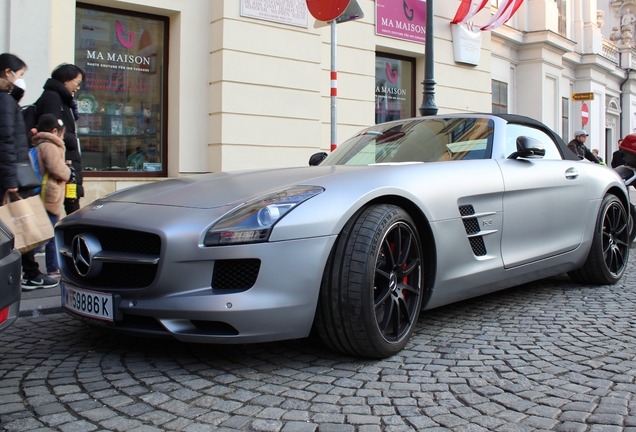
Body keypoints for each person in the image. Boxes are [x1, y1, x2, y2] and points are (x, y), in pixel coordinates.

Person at [0, 53, 58, 290]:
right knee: (17, 225)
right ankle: (29, 274)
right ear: (7, 73)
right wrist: (11, 179)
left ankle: (30, 273)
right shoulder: (4, 102)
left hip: (10, 172)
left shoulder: (6, 100)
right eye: (20, 75)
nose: (21, 80)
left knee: (14, 227)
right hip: (10, 175)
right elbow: (6, 141)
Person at [35, 63, 84, 216]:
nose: (77, 88)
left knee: (71, 202)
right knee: (65, 207)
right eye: (77, 82)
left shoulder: (64, 100)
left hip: (68, 159)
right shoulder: (53, 97)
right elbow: (53, 130)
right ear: (65, 80)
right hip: (64, 161)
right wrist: (73, 141)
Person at [32, 114, 71, 277]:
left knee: (46, 231)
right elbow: (55, 168)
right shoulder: (50, 145)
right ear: (54, 131)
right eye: (60, 132)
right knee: (49, 233)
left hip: (43, 192)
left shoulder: (40, 144)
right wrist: (67, 172)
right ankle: (51, 267)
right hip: (50, 193)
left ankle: (46, 265)